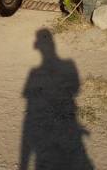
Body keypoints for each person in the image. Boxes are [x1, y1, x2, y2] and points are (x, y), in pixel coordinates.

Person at [19, 29, 94, 170]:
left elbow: (28, 98)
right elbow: (76, 89)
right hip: (66, 118)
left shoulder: (34, 72)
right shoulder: (69, 65)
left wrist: (23, 165)